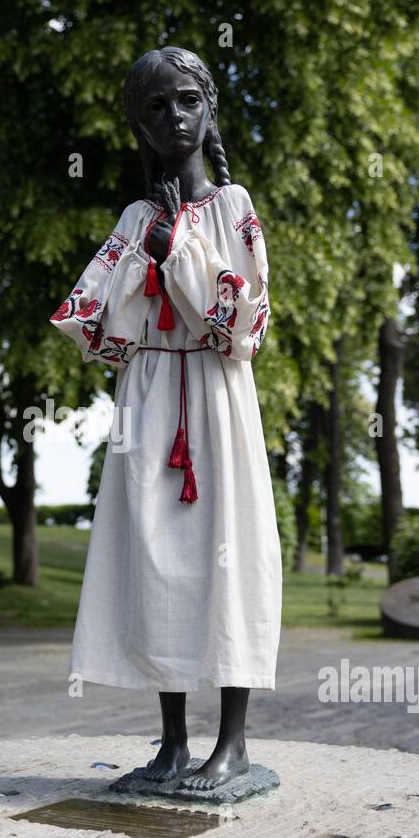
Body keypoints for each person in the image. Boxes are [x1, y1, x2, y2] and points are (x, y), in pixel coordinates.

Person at [49, 46, 281, 791]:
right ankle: (173, 743)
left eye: (185, 100)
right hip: (147, 398)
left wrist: (175, 255)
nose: (172, 118)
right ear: (138, 127)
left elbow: (244, 323)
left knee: (225, 555)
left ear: (208, 108)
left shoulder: (233, 206)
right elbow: (88, 318)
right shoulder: (134, 216)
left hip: (214, 395)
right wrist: (148, 269)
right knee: (155, 563)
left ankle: (235, 746)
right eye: (154, 108)